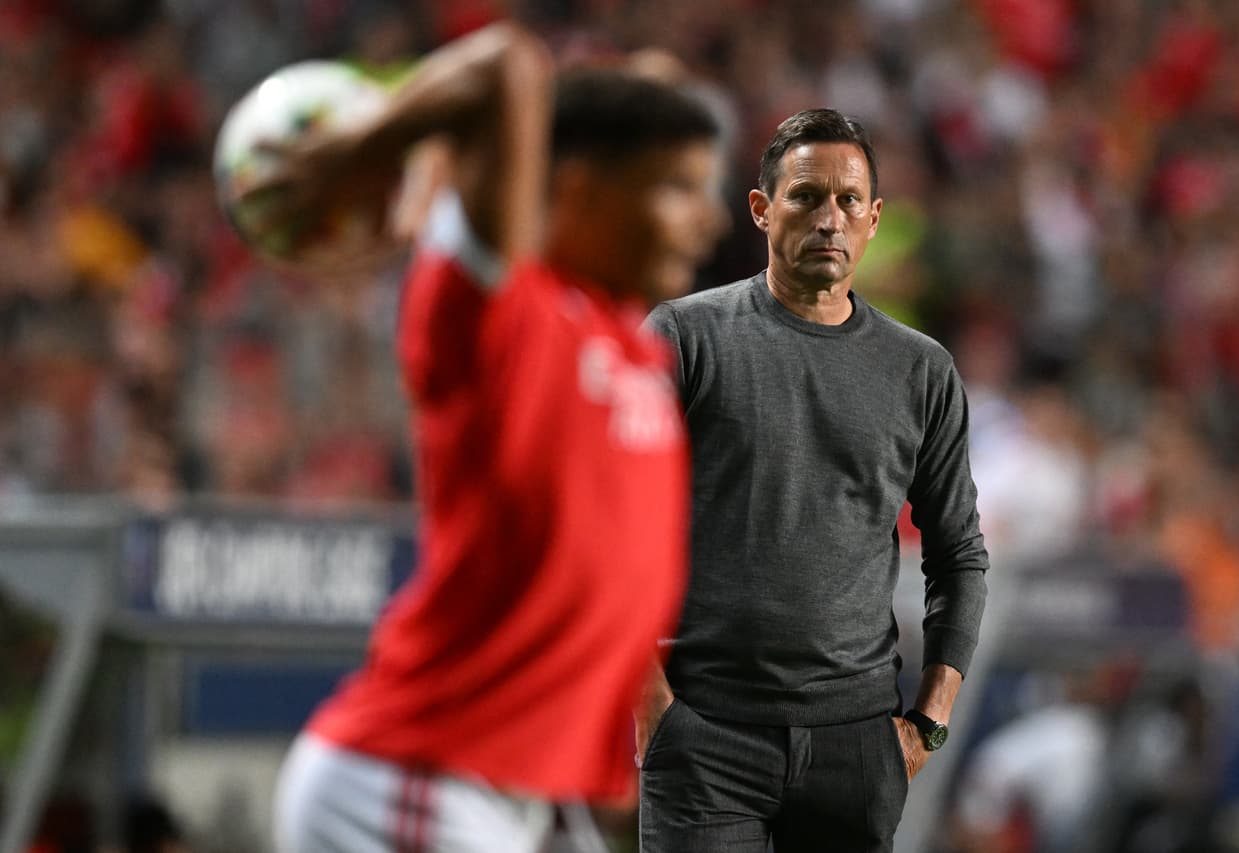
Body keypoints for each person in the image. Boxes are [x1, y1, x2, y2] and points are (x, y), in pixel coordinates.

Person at [247, 22, 729, 853]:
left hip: (520, 798)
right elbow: (508, 65)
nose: (710, 219)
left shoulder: (624, 332)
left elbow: (645, 84)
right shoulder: (498, 314)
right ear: (579, 190)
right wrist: (362, 148)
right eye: (678, 188)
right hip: (415, 778)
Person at [637, 109, 990, 852]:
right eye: (805, 196)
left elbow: (958, 554)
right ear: (761, 209)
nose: (830, 218)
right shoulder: (684, 338)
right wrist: (649, 702)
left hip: (856, 745)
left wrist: (928, 721)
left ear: (874, 218)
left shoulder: (921, 370)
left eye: (848, 200)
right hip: (704, 733)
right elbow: (610, 529)